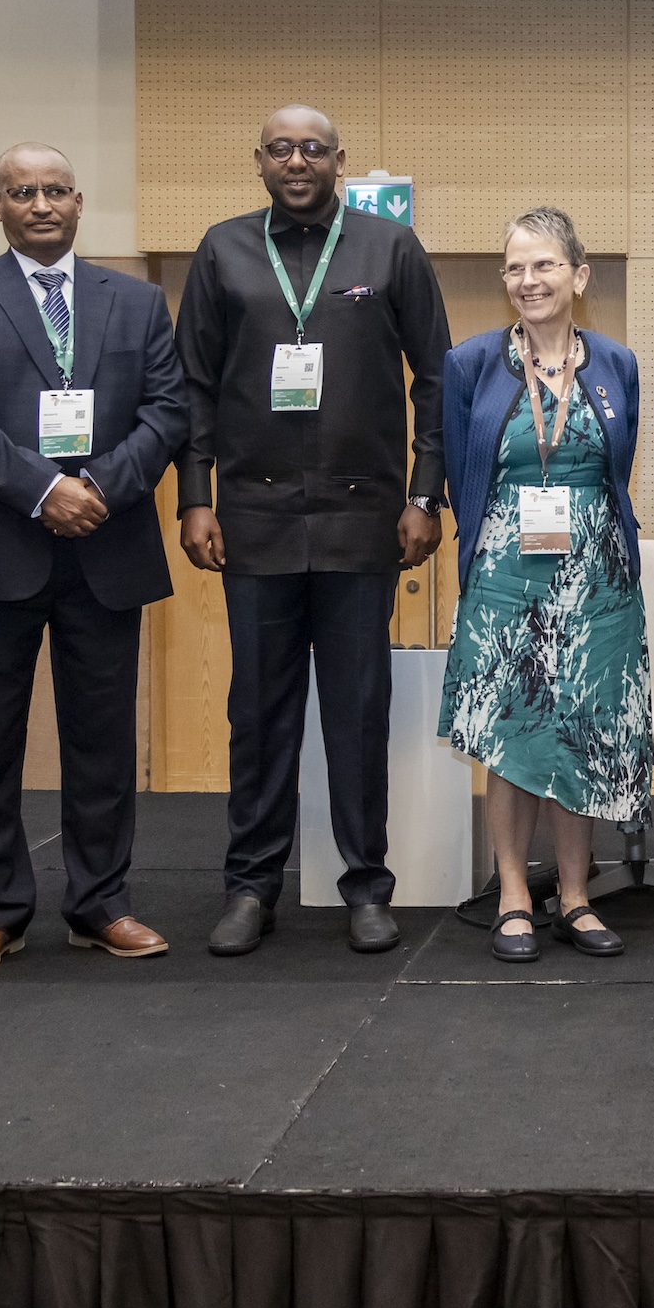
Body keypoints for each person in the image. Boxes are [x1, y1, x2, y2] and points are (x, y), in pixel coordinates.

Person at [174, 104, 452, 956]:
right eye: (281, 149)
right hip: (252, 518)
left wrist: (425, 495)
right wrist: (194, 497)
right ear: (257, 160)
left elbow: (436, 380)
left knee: (358, 711)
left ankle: (366, 884)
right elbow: (193, 385)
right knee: (258, 714)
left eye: (313, 149)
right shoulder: (221, 249)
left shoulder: (389, 248)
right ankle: (250, 888)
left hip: (362, 520)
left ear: (339, 160)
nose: (297, 161)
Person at [0, 144, 188, 971]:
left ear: (78, 203)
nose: (40, 204)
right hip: (0, 547)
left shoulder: (136, 302)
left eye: (56, 190)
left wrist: (96, 487)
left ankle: (100, 905)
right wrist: (43, 490)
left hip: (107, 545)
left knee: (102, 741)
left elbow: (168, 411)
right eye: (21, 191)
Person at [439, 209, 650, 965]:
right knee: (511, 734)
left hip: (598, 577)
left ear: (579, 276)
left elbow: (616, 469)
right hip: (505, 577)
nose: (529, 281)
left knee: (583, 729)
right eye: (516, 268)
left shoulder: (617, 363)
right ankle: (512, 897)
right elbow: (461, 470)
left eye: (545, 265)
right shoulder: (470, 363)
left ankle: (577, 896)